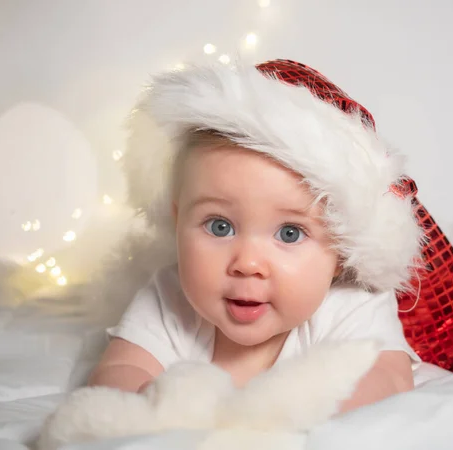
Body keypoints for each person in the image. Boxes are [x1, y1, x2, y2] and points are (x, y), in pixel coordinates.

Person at [87, 59, 425, 413]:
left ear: (341, 251)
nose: (247, 263)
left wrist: (308, 411)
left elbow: (391, 378)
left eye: (290, 233)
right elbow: (120, 370)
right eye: (220, 226)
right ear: (177, 221)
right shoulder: (169, 298)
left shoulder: (350, 306)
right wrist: (150, 406)